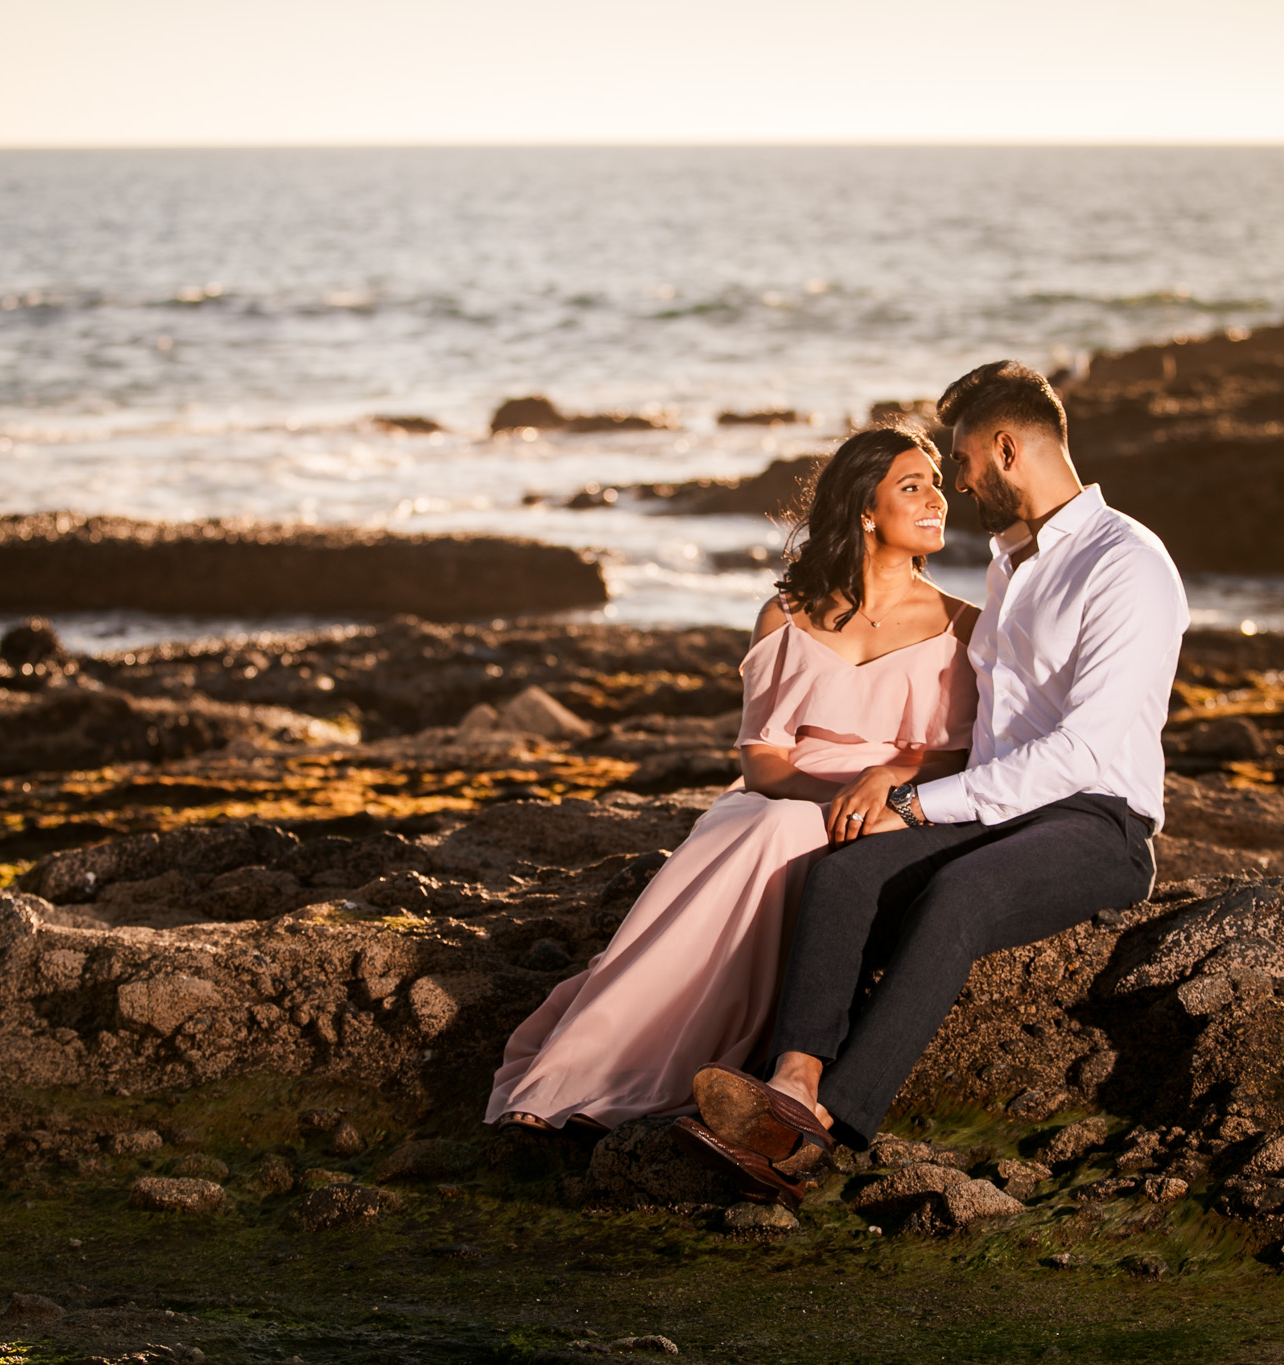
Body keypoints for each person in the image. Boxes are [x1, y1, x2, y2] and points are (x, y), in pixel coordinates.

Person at [685, 360, 1189, 1180]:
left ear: (1003, 447)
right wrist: (903, 784)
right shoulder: (1011, 565)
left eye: (958, 462)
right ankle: (790, 1077)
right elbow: (976, 728)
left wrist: (921, 807)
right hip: (997, 810)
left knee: (961, 895)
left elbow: (1085, 750)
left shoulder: (1125, 563)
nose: (954, 482)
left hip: (1096, 820)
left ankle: (822, 1124)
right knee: (844, 873)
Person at [486, 423, 980, 1144]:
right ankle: (579, 1069)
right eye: (914, 485)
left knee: (772, 833)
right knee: (765, 826)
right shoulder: (785, 614)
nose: (938, 497)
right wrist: (827, 800)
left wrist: (891, 775)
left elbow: (963, 756)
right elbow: (763, 764)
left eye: (938, 483)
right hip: (779, 802)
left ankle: (622, 1063)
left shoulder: (962, 626)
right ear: (865, 509)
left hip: (890, 812)